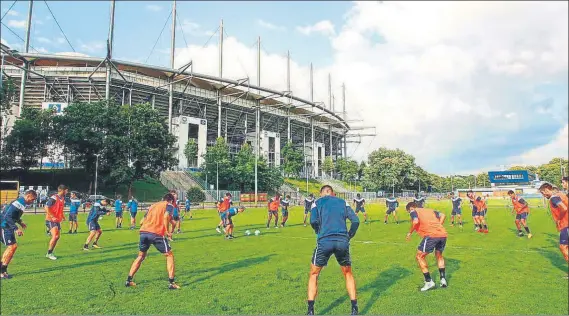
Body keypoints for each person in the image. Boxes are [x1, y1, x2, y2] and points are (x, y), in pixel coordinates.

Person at [308, 185, 360, 315]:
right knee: (347, 273)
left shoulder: (317, 202)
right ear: (333, 193)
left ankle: (310, 311)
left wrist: (318, 231)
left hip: (324, 241)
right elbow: (355, 221)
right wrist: (349, 236)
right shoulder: (343, 202)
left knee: (314, 274)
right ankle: (354, 308)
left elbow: (313, 220)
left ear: (321, 193)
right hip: (342, 241)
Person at [125, 193, 179, 289]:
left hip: (144, 232)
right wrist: (167, 231)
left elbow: (141, 221)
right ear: (171, 200)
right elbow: (166, 216)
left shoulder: (153, 206)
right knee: (169, 255)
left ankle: (128, 280)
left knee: (141, 256)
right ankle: (171, 282)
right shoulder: (168, 205)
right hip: (156, 233)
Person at [405, 202, 448, 291]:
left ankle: (429, 282)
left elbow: (415, 221)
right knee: (439, 255)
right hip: (443, 234)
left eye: (408, 211)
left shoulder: (414, 211)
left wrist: (410, 232)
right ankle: (443, 279)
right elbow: (443, 215)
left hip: (431, 236)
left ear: (411, 208)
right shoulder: (430, 210)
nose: (409, 213)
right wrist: (438, 226)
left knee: (419, 256)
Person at [0, 190, 36, 279]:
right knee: (12, 247)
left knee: (12, 247)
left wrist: (20, 222)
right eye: (32, 199)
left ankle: (2, 269)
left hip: (7, 225)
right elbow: (7, 216)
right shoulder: (18, 203)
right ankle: (2, 271)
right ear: (28, 196)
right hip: (4, 225)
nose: (33, 201)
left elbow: (14, 216)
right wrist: (16, 228)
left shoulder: (21, 203)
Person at [538, 183, 568, 274]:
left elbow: (564, 208)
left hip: (565, 225)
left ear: (547, 190)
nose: (543, 195)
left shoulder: (554, 198)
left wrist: (559, 219)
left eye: (543, 193)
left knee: (563, 247)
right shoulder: (561, 195)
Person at [45, 185, 68, 260]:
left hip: (57, 220)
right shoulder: (54, 197)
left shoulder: (62, 198)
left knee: (57, 237)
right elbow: (46, 207)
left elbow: (59, 208)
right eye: (66, 190)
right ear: (62, 190)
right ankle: (49, 253)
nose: (67, 192)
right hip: (51, 220)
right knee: (55, 236)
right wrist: (52, 216)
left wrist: (62, 216)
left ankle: (50, 252)